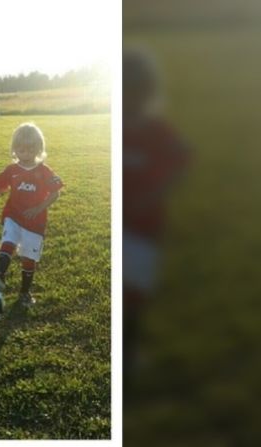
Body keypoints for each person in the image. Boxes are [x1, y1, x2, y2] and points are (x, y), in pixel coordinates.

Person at [123, 48, 188, 379]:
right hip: (121, 228)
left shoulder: (156, 131)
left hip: (145, 229)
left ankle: (129, 354)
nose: (130, 98)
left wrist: (152, 196)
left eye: (136, 90)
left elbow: (181, 160)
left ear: (147, 91)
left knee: (134, 299)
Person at [0, 122, 63, 306]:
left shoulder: (44, 171)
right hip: (13, 215)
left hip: (35, 223)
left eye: (30, 149)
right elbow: (0, 188)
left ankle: (24, 293)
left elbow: (55, 193)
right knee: (8, 241)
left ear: (38, 149)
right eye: (21, 150)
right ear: (14, 149)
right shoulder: (11, 170)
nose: (25, 154)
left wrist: (38, 208)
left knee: (29, 258)